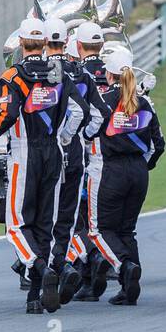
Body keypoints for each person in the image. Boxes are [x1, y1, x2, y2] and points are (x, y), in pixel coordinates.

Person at [0, 18, 80, 314]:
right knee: (43, 223)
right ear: (42, 44)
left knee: (15, 225)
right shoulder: (60, 73)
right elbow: (78, 111)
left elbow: (10, 113)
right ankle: (35, 296)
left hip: (25, 154)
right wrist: (63, 138)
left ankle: (40, 265)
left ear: (20, 42)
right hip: (53, 150)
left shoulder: (12, 76)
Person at [82, 47, 163, 306]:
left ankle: (124, 266)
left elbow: (86, 134)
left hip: (108, 170)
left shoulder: (101, 100)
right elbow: (159, 144)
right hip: (139, 172)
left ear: (109, 74)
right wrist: (142, 166)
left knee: (98, 230)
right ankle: (130, 288)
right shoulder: (146, 102)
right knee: (127, 230)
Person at [44, 17, 102, 305]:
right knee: (70, 215)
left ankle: (61, 265)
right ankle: (83, 257)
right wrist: (83, 137)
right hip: (78, 153)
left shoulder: (37, 72)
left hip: (46, 153)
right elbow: (97, 116)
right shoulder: (81, 73)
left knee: (47, 217)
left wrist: (62, 137)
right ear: (66, 43)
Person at [65, 22, 116, 300]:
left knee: (80, 216)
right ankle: (101, 259)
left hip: (82, 151)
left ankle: (88, 268)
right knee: (101, 215)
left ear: (79, 46)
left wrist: (81, 135)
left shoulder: (77, 74)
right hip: (110, 153)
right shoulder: (112, 71)